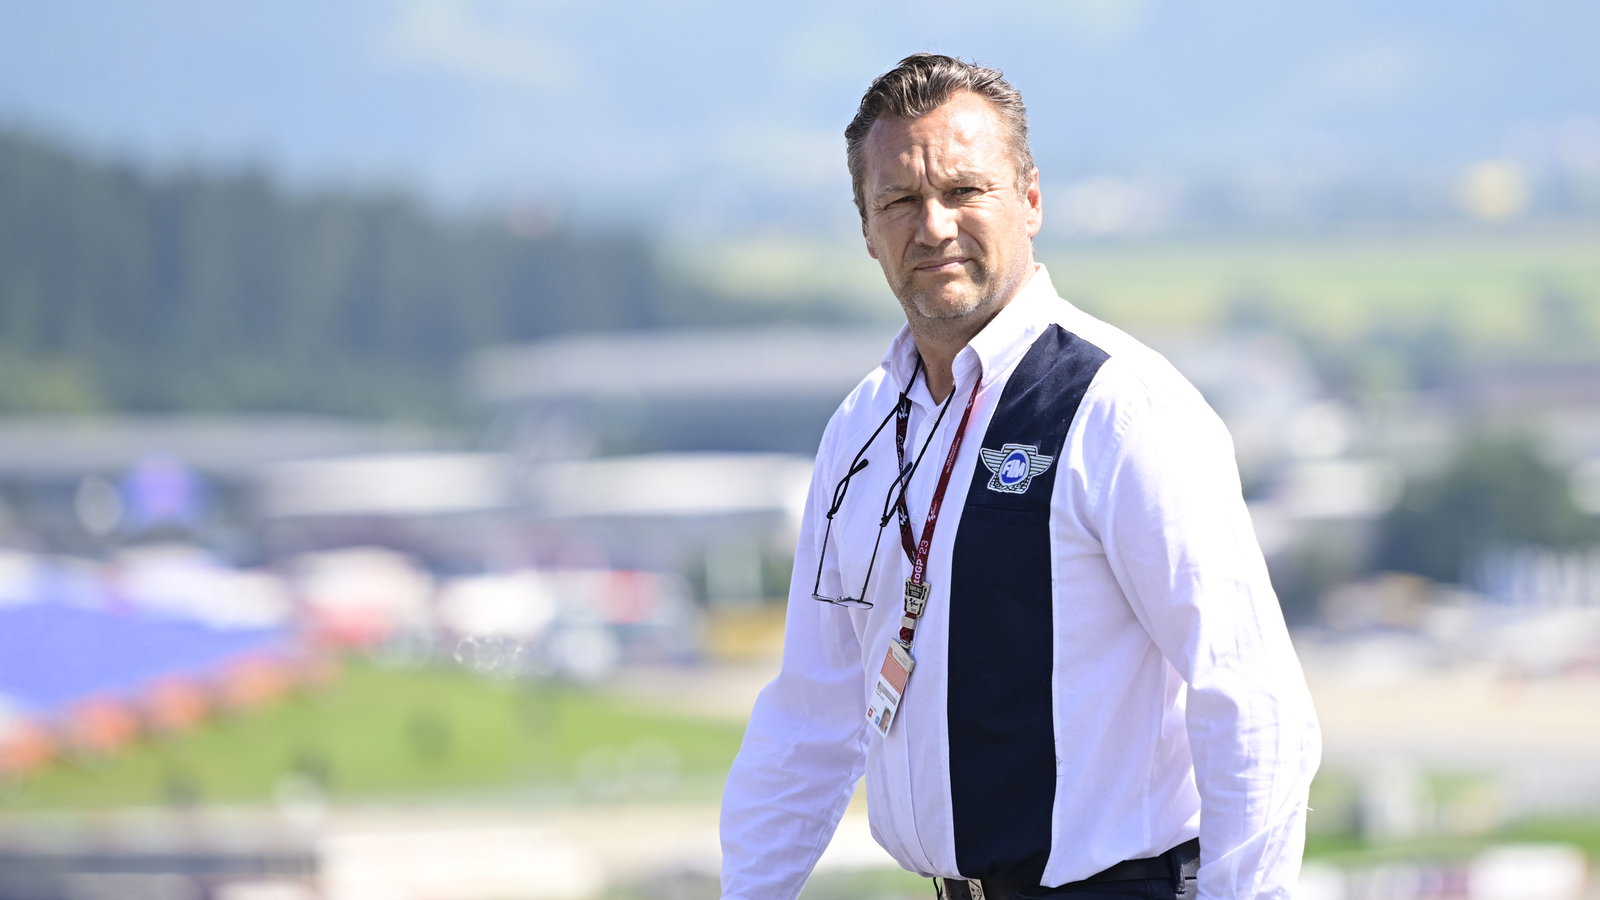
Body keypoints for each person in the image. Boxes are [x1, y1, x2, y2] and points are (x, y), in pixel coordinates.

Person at [719, 53, 1320, 900]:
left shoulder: (1123, 409)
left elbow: (1251, 700)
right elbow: (811, 716)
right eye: (898, 200)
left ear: (1030, 200)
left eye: (965, 191)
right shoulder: (858, 428)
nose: (932, 226)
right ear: (865, 228)